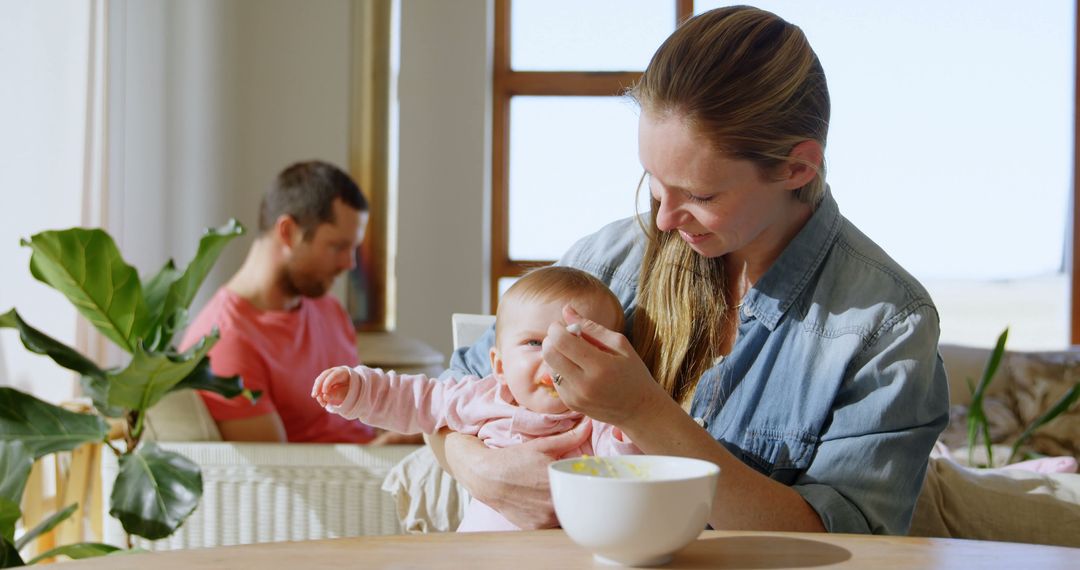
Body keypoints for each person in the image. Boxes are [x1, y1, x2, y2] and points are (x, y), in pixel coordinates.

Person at [432, 6, 949, 535]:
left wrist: (642, 411)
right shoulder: (609, 261)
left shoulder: (885, 323)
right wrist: (483, 469)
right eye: (653, 180)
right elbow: (449, 395)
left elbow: (849, 543)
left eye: (701, 194)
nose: (663, 218)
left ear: (797, 168)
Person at [311, 266, 641, 531]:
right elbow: (414, 399)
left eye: (578, 344)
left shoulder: (599, 421)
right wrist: (356, 388)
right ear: (498, 365)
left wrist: (626, 428)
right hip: (480, 556)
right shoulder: (480, 397)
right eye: (534, 343)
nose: (554, 357)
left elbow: (628, 472)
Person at [180, 160, 412, 444]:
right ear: (288, 232)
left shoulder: (328, 310)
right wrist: (382, 453)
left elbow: (362, 421)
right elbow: (276, 474)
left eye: (353, 248)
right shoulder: (224, 341)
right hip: (338, 484)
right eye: (338, 247)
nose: (349, 264)